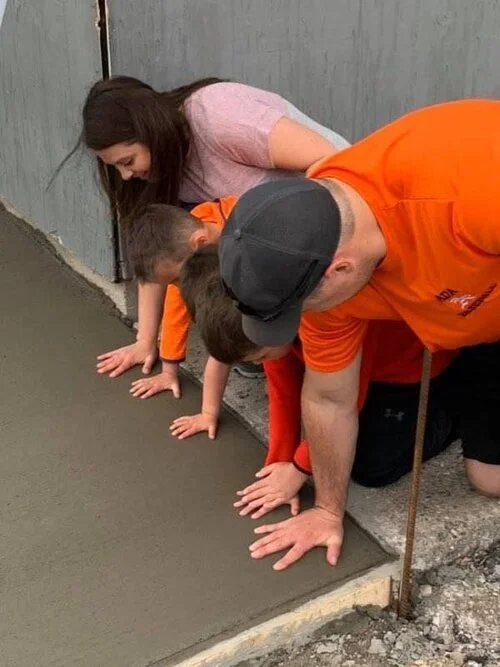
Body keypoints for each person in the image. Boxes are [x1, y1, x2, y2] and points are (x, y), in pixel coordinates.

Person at [218, 99, 500, 571]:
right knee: (463, 474)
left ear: (340, 270)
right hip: (468, 319)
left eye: (300, 312)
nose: (302, 325)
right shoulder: (312, 257)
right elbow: (329, 399)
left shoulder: (473, 194)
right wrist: (327, 512)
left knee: (487, 479)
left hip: (479, 299)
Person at [79, 75, 350, 384]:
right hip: (278, 246)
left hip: (335, 226)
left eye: (127, 161)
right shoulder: (158, 171)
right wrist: (145, 341)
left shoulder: (218, 115)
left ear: (151, 129)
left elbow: (332, 163)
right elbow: (157, 253)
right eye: (115, 166)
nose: (125, 175)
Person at [172, 246, 456, 521]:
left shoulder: (332, 309)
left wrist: (299, 468)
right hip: (355, 369)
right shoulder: (268, 324)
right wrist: (279, 463)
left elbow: (345, 399)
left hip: (407, 368)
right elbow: (283, 388)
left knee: (370, 467)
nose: (259, 364)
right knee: (332, 446)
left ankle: (455, 412)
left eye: (260, 357)